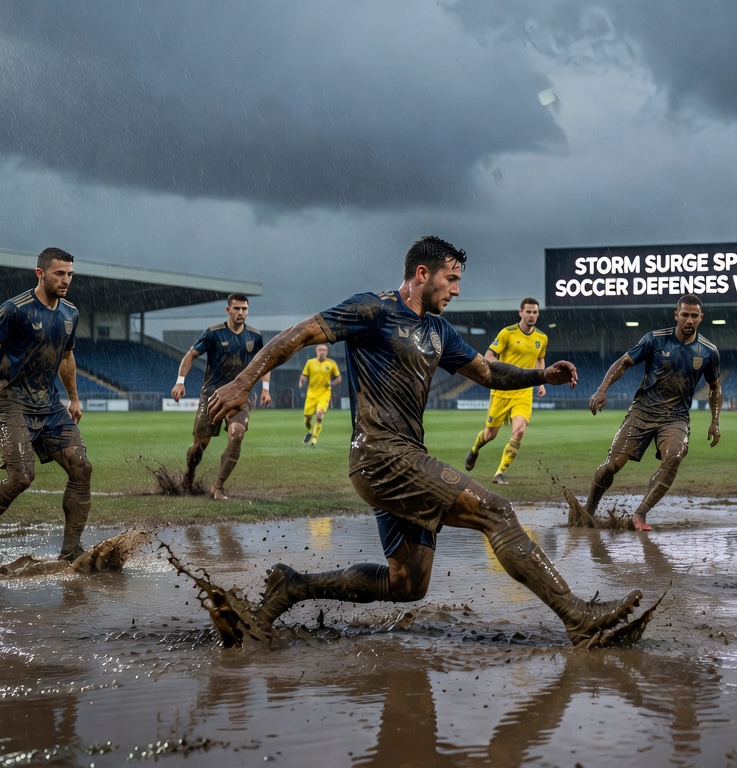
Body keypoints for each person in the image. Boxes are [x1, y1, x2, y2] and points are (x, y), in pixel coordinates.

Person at [205, 236, 642, 646]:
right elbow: (299, 334)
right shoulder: (372, 309)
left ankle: (293, 587)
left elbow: (489, 373)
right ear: (421, 274)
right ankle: (577, 617)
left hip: (404, 458)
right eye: (450, 280)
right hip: (379, 455)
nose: (455, 290)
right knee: (496, 511)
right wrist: (243, 382)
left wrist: (540, 375)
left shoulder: (439, 332)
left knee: (407, 584)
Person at [0, 247, 94, 570]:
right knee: (21, 477)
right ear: (40, 273)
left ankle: (70, 551)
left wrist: (73, 398)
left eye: (70, 274)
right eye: (59, 273)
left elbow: (67, 358)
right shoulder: (14, 310)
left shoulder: (70, 313)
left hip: (49, 403)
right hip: (11, 401)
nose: (66, 280)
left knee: (82, 468)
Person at [584, 294, 722, 532]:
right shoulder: (655, 340)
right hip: (642, 412)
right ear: (675, 315)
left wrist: (715, 421)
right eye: (685, 315)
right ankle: (587, 510)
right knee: (611, 466)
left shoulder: (709, 352)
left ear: (701, 318)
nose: (689, 320)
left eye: (694, 316)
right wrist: (601, 389)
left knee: (675, 456)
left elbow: (715, 388)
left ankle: (640, 514)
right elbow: (624, 362)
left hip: (675, 417)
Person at [170, 293, 270, 500]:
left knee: (237, 435)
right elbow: (191, 355)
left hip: (240, 396)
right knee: (199, 446)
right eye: (237, 309)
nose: (241, 313)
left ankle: (218, 487)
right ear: (228, 310)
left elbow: (264, 363)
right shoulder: (213, 333)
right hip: (212, 394)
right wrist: (180, 381)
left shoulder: (255, 336)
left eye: (244, 309)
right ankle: (190, 472)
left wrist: (266, 387)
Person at [464, 297, 548, 485]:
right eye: (528, 311)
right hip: (502, 390)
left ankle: (499, 473)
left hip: (524, 391)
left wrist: (541, 383)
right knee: (490, 434)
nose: (532, 315)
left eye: (535, 312)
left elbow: (540, 358)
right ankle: (475, 450)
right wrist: (499, 371)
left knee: (519, 432)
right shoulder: (507, 333)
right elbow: (489, 355)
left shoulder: (542, 338)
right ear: (521, 313)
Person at [299, 343, 342, 448]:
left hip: (324, 393)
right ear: (316, 351)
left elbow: (339, 378)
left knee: (319, 415)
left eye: (324, 350)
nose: (322, 352)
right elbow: (304, 375)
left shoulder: (331, 363)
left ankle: (314, 440)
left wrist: (332, 383)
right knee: (307, 419)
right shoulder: (310, 363)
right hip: (311, 394)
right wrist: (301, 381)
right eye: (320, 350)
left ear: (327, 352)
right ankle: (309, 431)